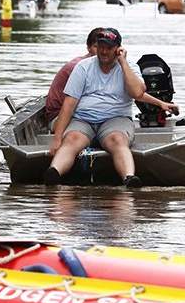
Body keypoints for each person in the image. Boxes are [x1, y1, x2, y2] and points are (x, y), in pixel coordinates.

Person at [45, 28, 178, 188]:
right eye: (101, 46)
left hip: (115, 120)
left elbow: (137, 92)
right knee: (71, 139)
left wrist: (123, 62)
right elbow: (69, 104)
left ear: (118, 48)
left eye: (108, 47)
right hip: (83, 119)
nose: (103, 51)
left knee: (118, 140)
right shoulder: (83, 67)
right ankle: (54, 172)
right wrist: (57, 138)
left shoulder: (130, 68)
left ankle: (129, 178)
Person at [45, 27, 103, 127]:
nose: (102, 52)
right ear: (88, 47)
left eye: (105, 47)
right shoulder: (79, 67)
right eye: (96, 47)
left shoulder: (97, 66)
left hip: (78, 113)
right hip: (59, 117)